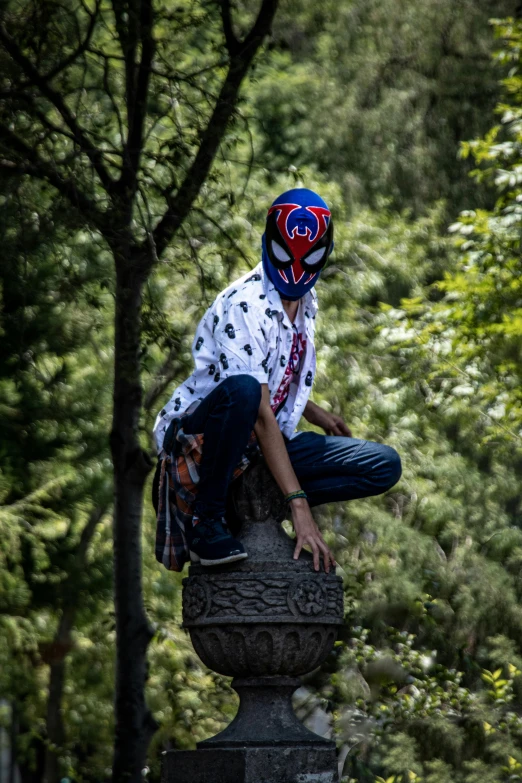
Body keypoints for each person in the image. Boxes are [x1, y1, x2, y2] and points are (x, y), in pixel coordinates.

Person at [153, 188, 401, 573]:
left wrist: (313, 411)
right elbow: (255, 407)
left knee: (383, 465)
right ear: (270, 241)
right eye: (287, 254)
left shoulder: (307, 302)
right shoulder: (244, 304)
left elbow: (271, 375)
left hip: (261, 444)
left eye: (309, 257)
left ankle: (259, 502)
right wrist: (300, 505)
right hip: (205, 443)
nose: (297, 267)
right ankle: (208, 521)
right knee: (245, 392)